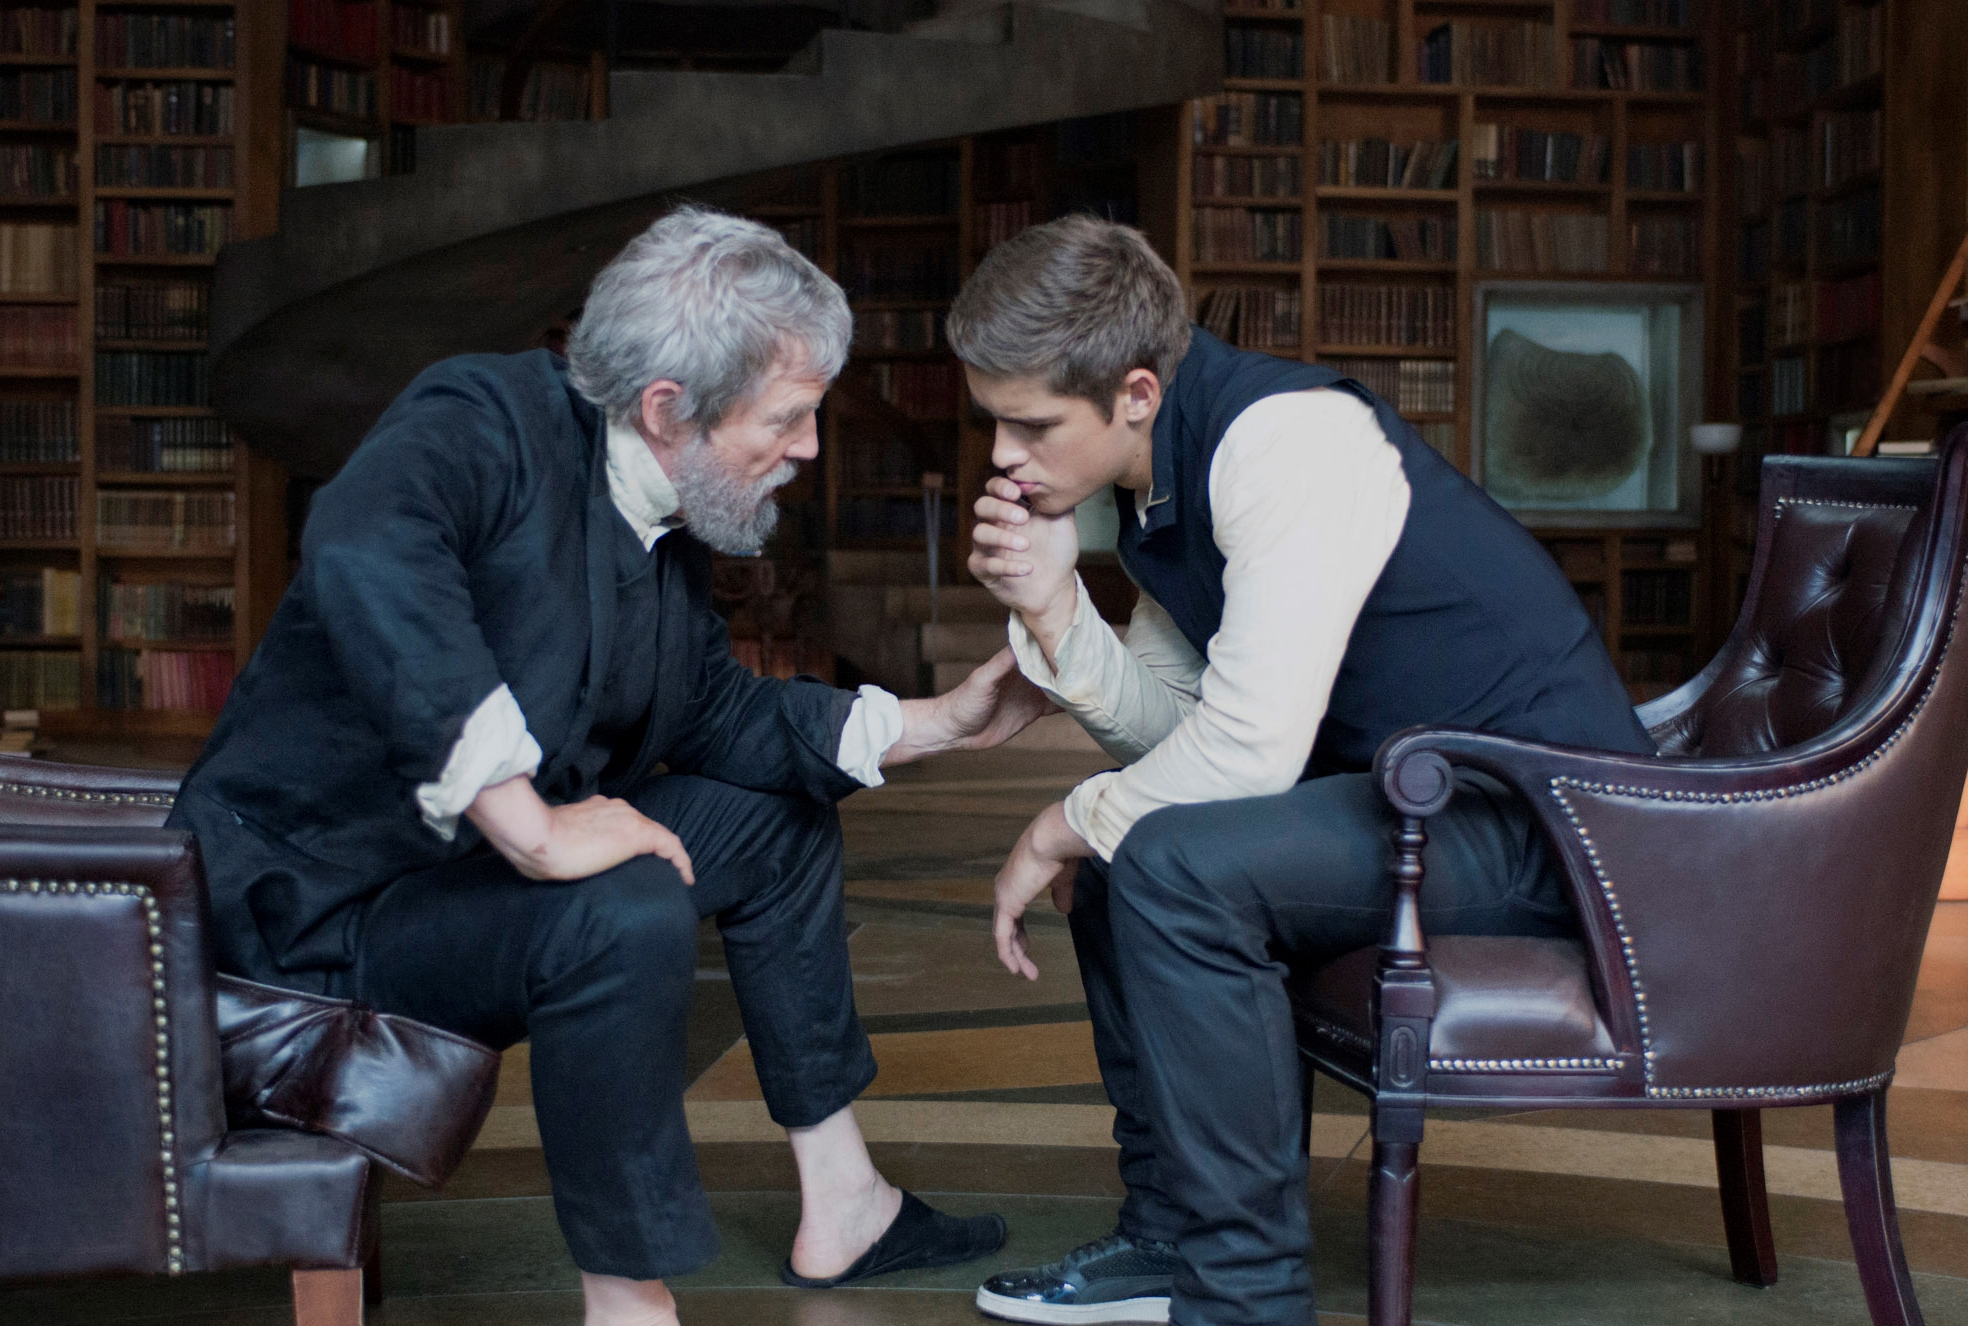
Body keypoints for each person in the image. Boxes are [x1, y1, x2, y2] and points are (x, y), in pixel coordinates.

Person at [168, 206, 1047, 1326]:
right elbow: (365, 545)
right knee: (621, 900)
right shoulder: (482, 416)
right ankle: (629, 1304)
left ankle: (847, 1202)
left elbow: (716, 711)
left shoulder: (662, 528)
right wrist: (531, 823)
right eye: (789, 417)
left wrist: (937, 721)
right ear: (665, 407)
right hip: (305, 924)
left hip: (438, 898)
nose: (812, 448)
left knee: (771, 825)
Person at [947, 216, 1655, 1326]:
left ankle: (1248, 1299)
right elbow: (1177, 741)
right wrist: (1053, 608)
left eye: (1029, 425)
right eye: (992, 422)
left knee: (1160, 862)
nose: (1001, 455)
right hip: (1420, 804)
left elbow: (1246, 754)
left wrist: (1055, 825)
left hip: (1551, 826)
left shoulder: (1283, 444)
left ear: (1136, 391)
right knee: (1140, 857)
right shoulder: (1162, 483)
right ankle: (1169, 1241)